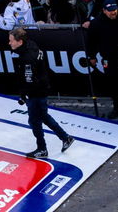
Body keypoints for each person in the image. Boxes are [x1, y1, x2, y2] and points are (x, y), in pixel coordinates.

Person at [8, 27, 74, 159]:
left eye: (11, 41)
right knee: (43, 116)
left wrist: (24, 95)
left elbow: (30, 80)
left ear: (20, 41)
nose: (9, 43)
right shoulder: (31, 44)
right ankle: (65, 137)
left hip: (36, 93)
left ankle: (42, 149)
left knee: (34, 121)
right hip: (42, 88)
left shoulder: (27, 59)